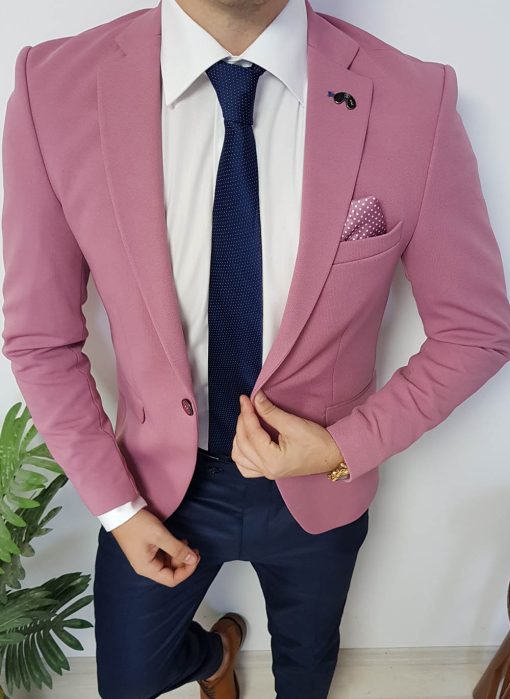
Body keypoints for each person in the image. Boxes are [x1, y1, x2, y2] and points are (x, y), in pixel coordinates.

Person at [2, 0, 510, 696]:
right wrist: (118, 507)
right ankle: (214, 658)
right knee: (127, 682)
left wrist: (341, 448)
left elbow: (476, 329)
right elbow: (40, 337)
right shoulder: (52, 87)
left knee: (307, 669)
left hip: (323, 486)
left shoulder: (415, 98)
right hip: (152, 485)